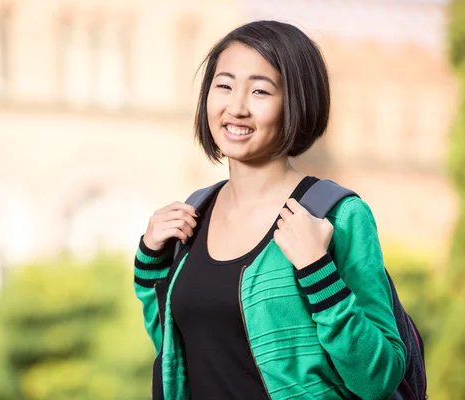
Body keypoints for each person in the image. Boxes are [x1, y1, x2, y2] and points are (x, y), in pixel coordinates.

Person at [133, 20, 406, 400]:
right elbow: (173, 348)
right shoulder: (195, 212)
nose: (236, 107)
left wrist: (318, 273)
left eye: (260, 91)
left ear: (297, 101)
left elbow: (378, 379)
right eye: (224, 86)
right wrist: (150, 263)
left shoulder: (337, 216)